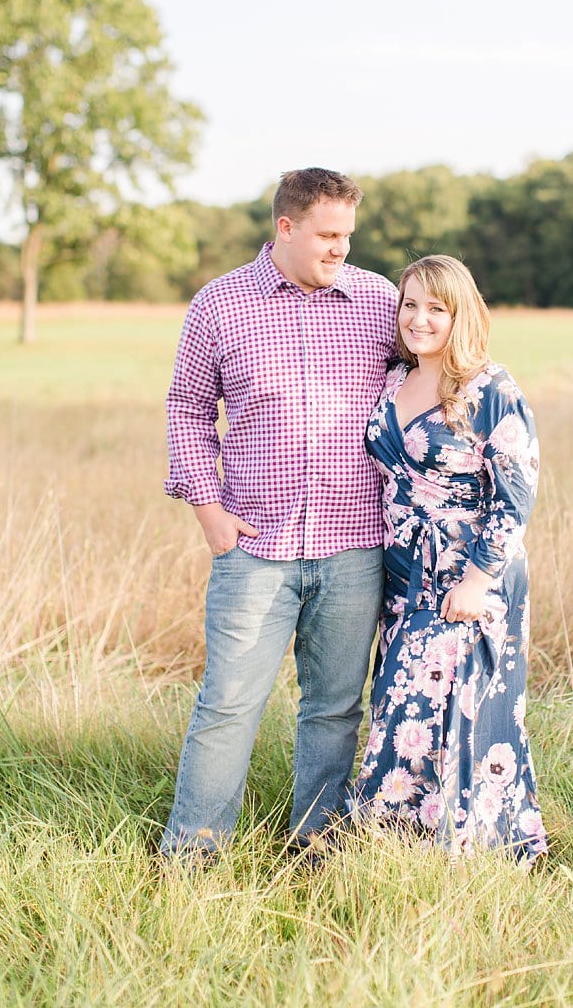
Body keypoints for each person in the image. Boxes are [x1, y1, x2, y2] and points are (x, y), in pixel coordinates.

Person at [162, 167, 397, 856]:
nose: (340, 250)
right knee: (228, 705)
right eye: (327, 235)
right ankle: (194, 853)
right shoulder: (219, 304)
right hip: (255, 545)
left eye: (348, 236)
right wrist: (206, 507)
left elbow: (431, 382)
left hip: (357, 545)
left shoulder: (380, 301)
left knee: (334, 710)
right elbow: (186, 407)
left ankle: (316, 845)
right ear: (285, 228)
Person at [349, 254, 545, 859]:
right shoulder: (392, 380)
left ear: (461, 314)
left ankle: (473, 845)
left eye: (437, 307)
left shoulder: (490, 388)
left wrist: (479, 579)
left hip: (468, 573)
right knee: (402, 701)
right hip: (403, 571)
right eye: (410, 304)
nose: (420, 318)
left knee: (461, 707)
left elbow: (517, 492)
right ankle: (399, 835)